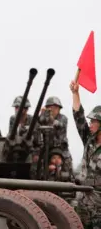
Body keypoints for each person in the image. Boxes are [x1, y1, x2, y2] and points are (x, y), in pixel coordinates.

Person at [69, 80, 101, 228]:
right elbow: (78, 117)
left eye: (94, 121)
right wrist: (75, 93)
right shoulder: (90, 141)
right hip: (83, 201)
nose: (90, 124)